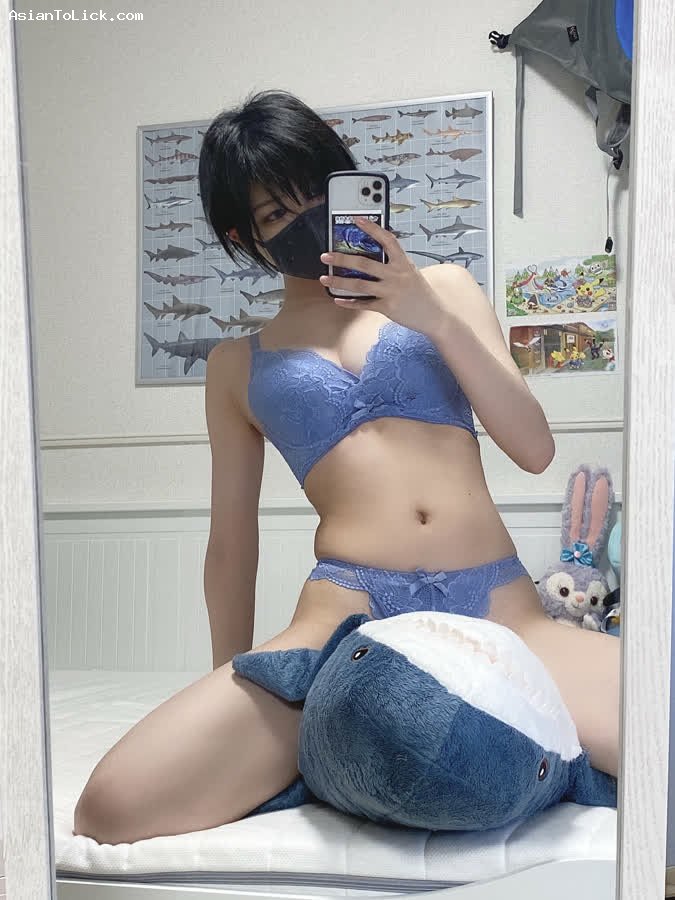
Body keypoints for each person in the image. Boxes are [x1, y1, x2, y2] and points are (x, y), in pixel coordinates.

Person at [72, 90, 620, 845]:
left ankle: (500, 762)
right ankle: (334, 753)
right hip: (343, 618)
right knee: (112, 807)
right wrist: (226, 672)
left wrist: (428, 316)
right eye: (275, 213)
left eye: (315, 194)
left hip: (499, 606)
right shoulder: (236, 365)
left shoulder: (445, 289)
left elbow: (534, 449)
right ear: (242, 235)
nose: (305, 220)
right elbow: (230, 544)